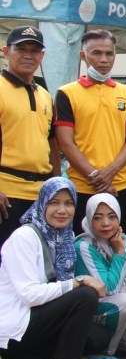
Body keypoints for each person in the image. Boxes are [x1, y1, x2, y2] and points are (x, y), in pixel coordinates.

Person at [0, 178, 109, 359]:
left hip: (36, 319)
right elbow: (30, 295)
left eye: (69, 204)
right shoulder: (24, 237)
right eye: (54, 203)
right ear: (42, 204)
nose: (62, 210)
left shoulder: (64, 236)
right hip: (16, 322)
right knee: (85, 295)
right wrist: (78, 281)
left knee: (98, 338)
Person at [54, 29, 126, 235]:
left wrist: (111, 171)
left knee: (121, 243)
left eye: (109, 53)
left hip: (122, 185)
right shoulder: (66, 93)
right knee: (82, 244)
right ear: (83, 56)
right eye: (96, 53)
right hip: (83, 186)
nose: (104, 59)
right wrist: (95, 176)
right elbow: (65, 142)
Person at [0, 25, 60, 252]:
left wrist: (57, 185)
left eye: (34, 51)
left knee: (37, 259)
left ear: (42, 56)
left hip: (40, 194)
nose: (28, 55)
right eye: (21, 49)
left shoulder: (44, 94)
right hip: (7, 193)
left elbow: (51, 143)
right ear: (6, 51)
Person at [74, 193, 126, 359]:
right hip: (95, 308)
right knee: (124, 301)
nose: (106, 223)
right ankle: (103, 352)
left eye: (112, 216)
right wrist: (119, 254)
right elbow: (108, 289)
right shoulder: (84, 246)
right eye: (98, 218)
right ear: (89, 218)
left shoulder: (122, 239)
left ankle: (115, 335)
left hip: (120, 306)